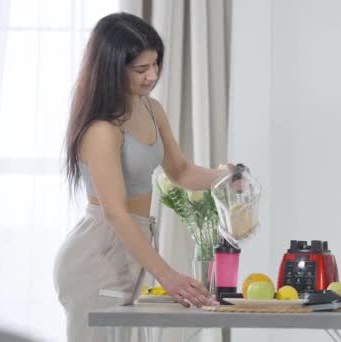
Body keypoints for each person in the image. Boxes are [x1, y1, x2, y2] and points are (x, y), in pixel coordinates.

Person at [53, 12, 233, 342]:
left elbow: (181, 172)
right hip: (99, 253)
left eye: (155, 65)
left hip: (130, 246)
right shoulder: (102, 130)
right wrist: (167, 275)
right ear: (111, 68)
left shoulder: (151, 109)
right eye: (140, 69)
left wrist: (226, 177)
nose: (152, 76)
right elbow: (116, 213)